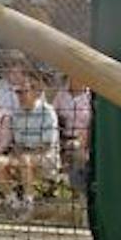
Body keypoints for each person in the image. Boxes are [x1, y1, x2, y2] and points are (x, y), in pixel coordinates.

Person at [7, 73, 61, 217]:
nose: (20, 96)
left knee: (25, 161)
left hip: (47, 157)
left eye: (23, 92)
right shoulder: (16, 114)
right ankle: (13, 203)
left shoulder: (47, 112)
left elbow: (46, 145)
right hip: (25, 155)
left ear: (35, 93)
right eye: (18, 92)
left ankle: (28, 205)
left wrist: (24, 156)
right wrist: (18, 155)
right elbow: (17, 144)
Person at [52, 71, 94, 200]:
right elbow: (53, 117)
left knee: (77, 153)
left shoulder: (90, 96)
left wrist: (83, 142)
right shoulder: (61, 94)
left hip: (84, 140)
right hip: (62, 138)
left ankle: (80, 194)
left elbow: (92, 124)